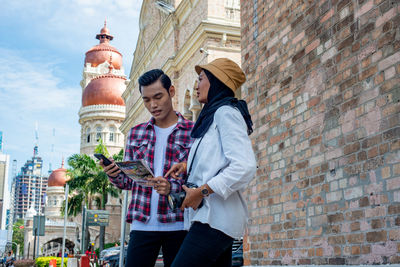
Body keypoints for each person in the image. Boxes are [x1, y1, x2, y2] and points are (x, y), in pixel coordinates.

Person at [166, 58, 257, 267]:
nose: (196, 85)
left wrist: (202, 191)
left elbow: (244, 166)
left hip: (216, 218)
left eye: (201, 79)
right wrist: (187, 166)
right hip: (209, 217)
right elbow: (217, 157)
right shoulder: (213, 115)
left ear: (216, 82)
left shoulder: (226, 113)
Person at [100, 69, 194, 267]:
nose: (153, 105)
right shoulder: (136, 133)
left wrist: (172, 188)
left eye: (158, 97)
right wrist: (114, 173)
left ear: (172, 91)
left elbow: (198, 178)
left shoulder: (192, 131)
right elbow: (127, 182)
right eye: (147, 100)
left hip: (178, 223)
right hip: (142, 223)